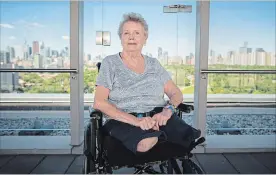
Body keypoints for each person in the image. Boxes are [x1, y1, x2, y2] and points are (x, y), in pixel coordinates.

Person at [93, 12, 200, 154]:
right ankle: (156, 135)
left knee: (190, 137)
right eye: (126, 33)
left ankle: (157, 133)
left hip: (158, 117)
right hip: (123, 119)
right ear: (121, 38)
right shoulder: (110, 63)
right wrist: (137, 121)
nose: (131, 37)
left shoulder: (154, 64)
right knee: (145, 143)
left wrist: (168, 111)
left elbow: (176, 93)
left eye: (137, 33)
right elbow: (99, 102)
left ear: (145, 38)